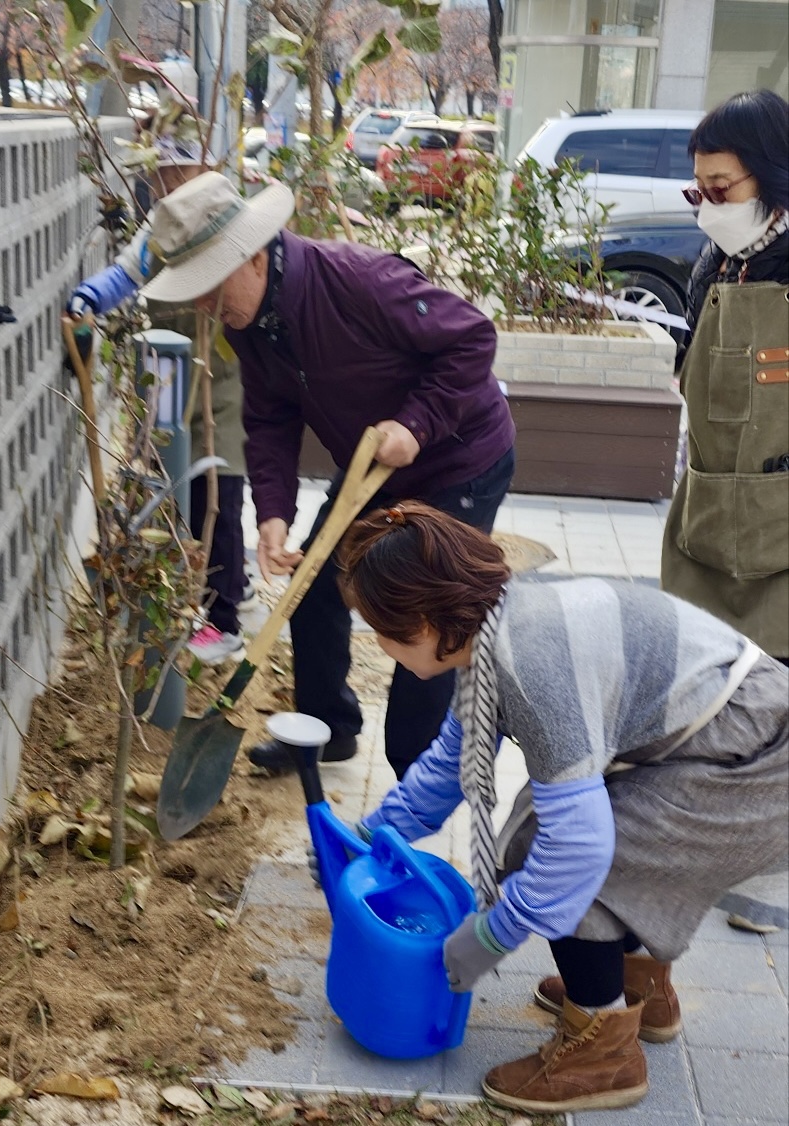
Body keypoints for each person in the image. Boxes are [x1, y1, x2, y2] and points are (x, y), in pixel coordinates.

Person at [335, 501, 787, 1114]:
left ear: (423, 619)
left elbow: (576, 853)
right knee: (566, 832)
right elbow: (453, 759)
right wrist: (368, 835)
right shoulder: (495, 626)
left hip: (756, 763)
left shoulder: (529, 662)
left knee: (546, 851)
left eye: (382, 630)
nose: (381, 645)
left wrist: (490, 936)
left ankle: (602, 1051)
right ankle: (637, 989)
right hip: (726, 734)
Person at [141, 171, 516, 778]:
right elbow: (269, 418)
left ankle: (413, 776)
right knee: (313, 586)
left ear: (254, 257)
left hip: (458, 459)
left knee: (422, 614)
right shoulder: (253, 325)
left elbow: (472, 340)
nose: (206, 307)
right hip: (375, 468)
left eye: (211, 288)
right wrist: (273, 513)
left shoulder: (360, 281)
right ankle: (324, 733)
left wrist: (416, 426)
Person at [67, 131, 252, 665]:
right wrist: (89, 298)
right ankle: (171, 606)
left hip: (223, 388)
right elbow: (124, 274)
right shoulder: (158, 231)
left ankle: (224, 620)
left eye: (180, 171)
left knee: (222, 496)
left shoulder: (227, 219)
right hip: (166, 387)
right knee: (170, 503)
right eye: (161, 174)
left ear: (205, 169)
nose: (168, 183)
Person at [661, 89, 789, 666]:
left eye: (721, 188)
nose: (708, 205)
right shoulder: (714, 262)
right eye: (699, 190)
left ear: (772, 175)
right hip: (708, 511)